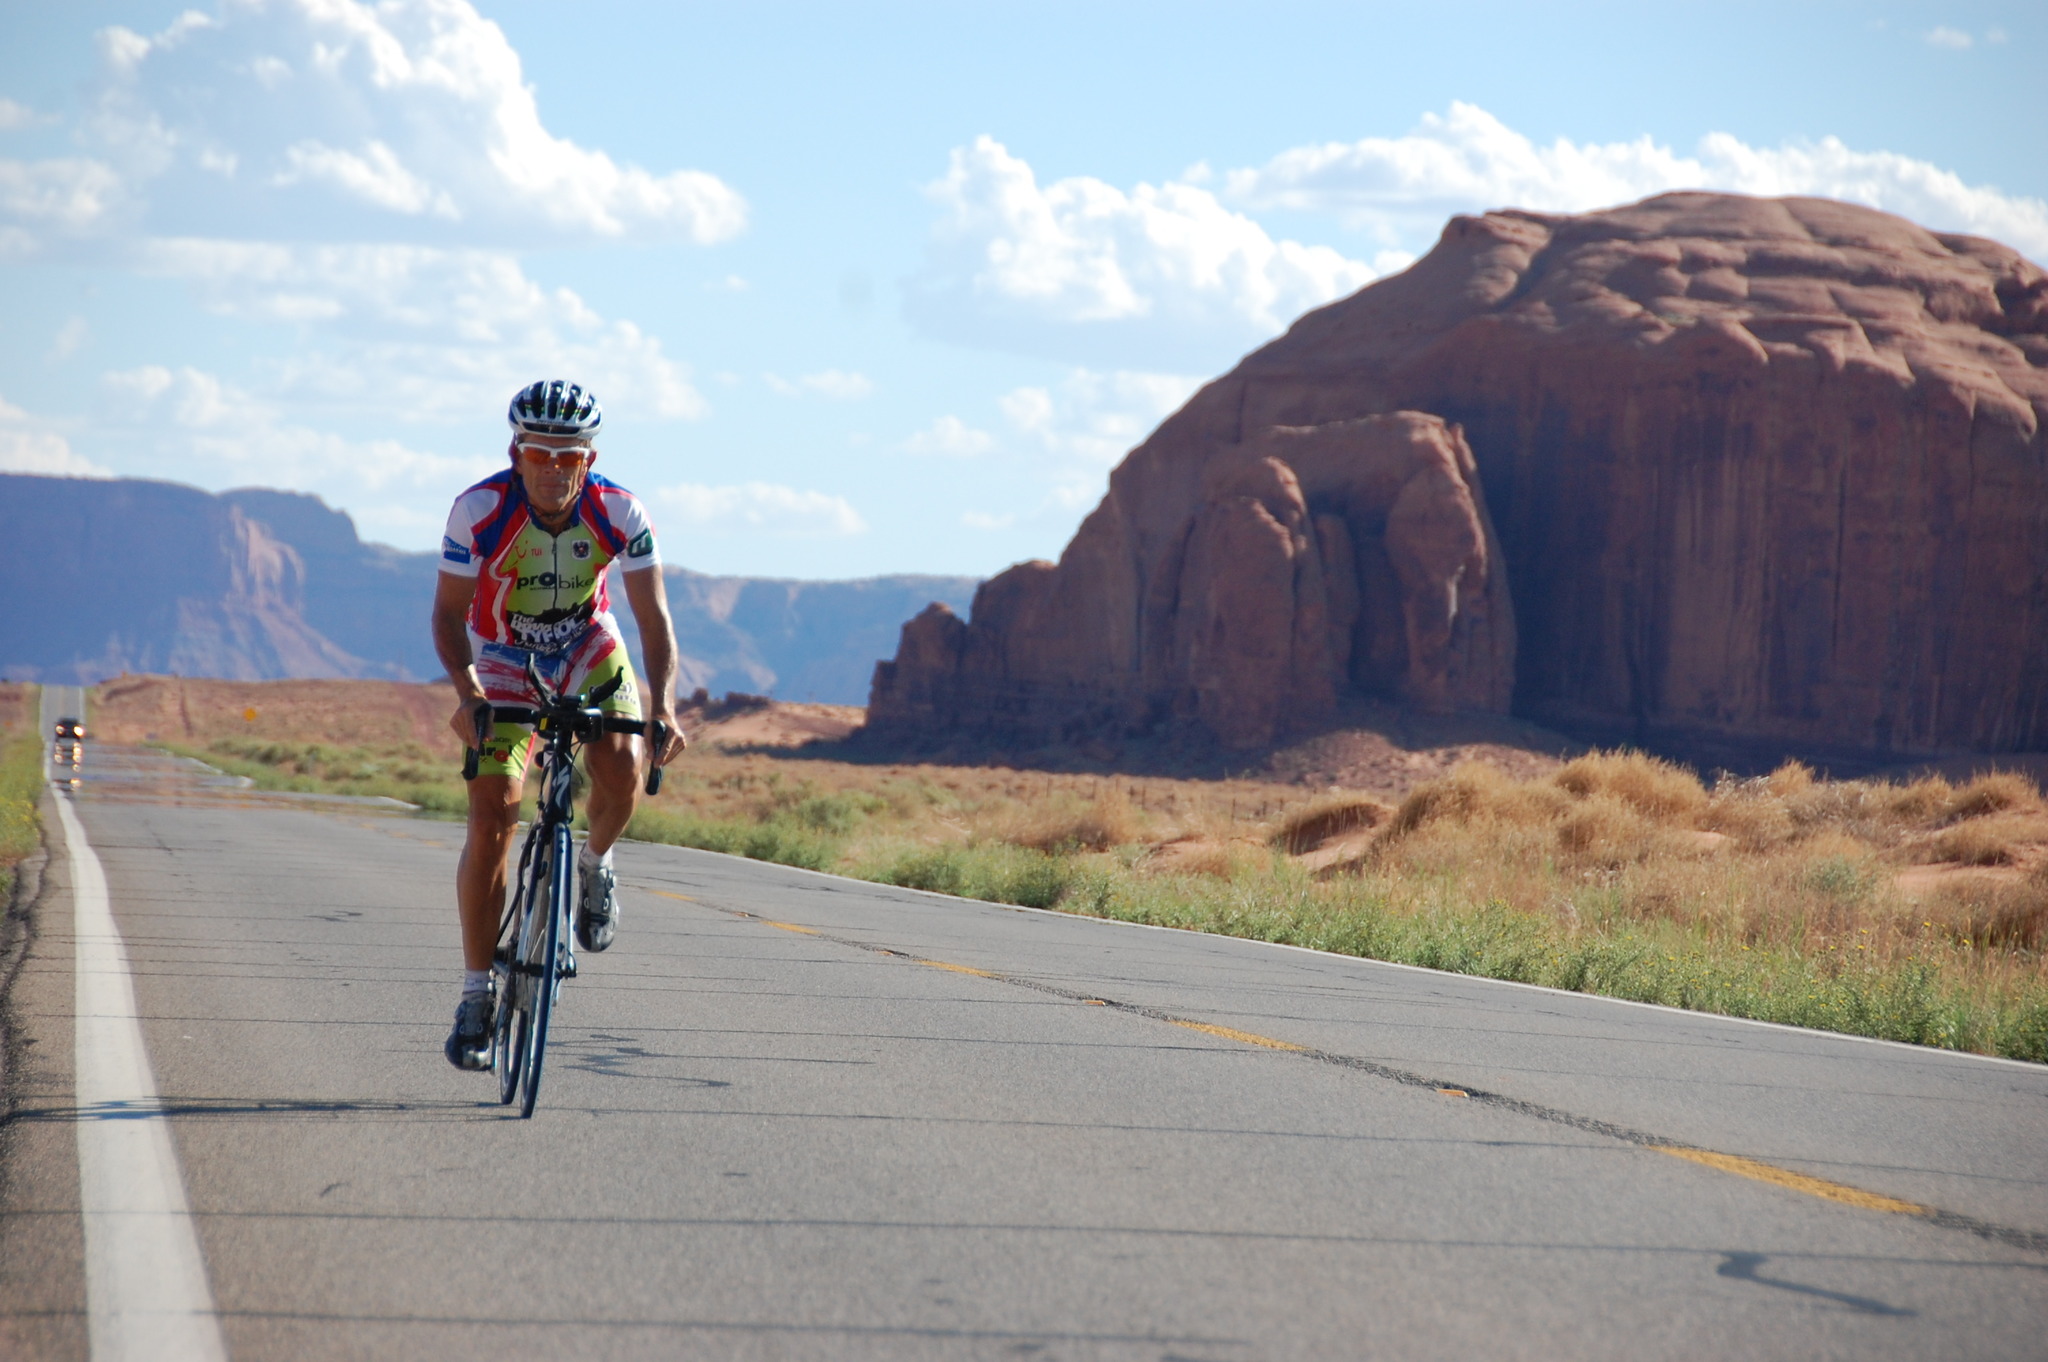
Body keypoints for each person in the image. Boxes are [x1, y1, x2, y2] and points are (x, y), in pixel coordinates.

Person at [432, 379, 685, 1070]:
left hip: (587, 644)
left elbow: (652, 620)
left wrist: (662, 705)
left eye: (567, 457)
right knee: (492, 814)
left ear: (589, 459)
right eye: (538, 453)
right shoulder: (478, 511)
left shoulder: (620, 511)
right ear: (516, 452)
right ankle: (476, 994)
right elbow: (448, 616)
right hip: (504, 652)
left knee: (626, 766)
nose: (551, 468)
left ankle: (597, 865)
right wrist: (468, 690)